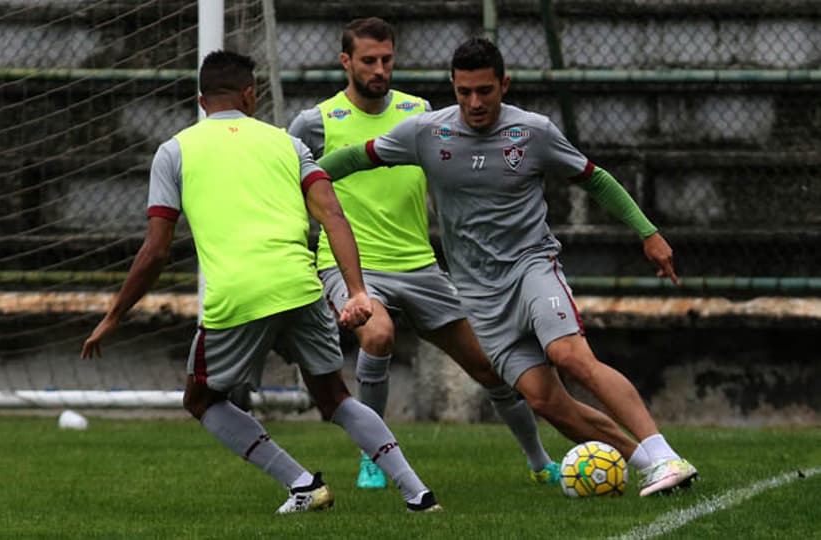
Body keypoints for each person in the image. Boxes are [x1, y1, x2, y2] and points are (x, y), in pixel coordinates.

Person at [317, 37, 699, 497]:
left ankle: (663, 454)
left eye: (485, 91)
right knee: (544, 399)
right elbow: (355, 157)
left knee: (569, 355)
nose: (475, 103)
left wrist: (649, 233)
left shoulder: (533, 131)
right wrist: (302, 177)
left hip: (531, 268)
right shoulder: (426, 133)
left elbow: (594, 178)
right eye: (464, 92)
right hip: (480, 295)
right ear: (453, 87)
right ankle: (649, 465)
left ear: (504, 84)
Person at [81, 50, 441, 513]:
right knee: (334, 397)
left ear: (200, 99)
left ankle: (301, 484)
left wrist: (114, 316)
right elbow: (332, 214)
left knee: (200, 398)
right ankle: (418, 493)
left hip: (238, 296)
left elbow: (156, 250)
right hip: (300, 285)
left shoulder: (174, 151)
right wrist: (356, 290)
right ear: (251, 94)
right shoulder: (287, 144)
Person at [289, 17, 560, 490]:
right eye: (368, 60)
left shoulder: (420, 113)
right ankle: (373, 457)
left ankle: (539, 462)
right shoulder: (316, 122)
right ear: (345, 62)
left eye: (386, 60)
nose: (379, 69)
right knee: (377, 335)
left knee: (490, 365)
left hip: (419, 265)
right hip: (351, 267)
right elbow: (294, 190)